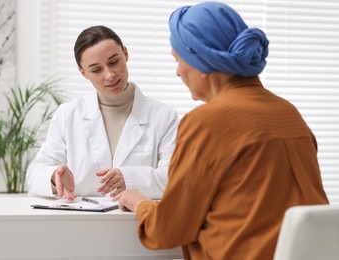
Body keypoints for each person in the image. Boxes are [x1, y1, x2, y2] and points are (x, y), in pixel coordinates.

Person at [117, 2, 329, 260]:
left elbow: (167, 231)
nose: (177, 72)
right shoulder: (289, 113)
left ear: (201, 61)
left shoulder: (205, 122)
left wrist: (139, 203)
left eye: (178, 59)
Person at [26, 25, 179, 201]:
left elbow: (174, 178)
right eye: (96, 70)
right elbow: (35, 172)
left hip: (137, 222)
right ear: (83, 72)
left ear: (126, 54)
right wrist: (54, 176)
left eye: (114, 62)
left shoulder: (163, 116)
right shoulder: (68, 115)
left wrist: (128, 177)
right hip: (80, 224)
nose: (109, 75)